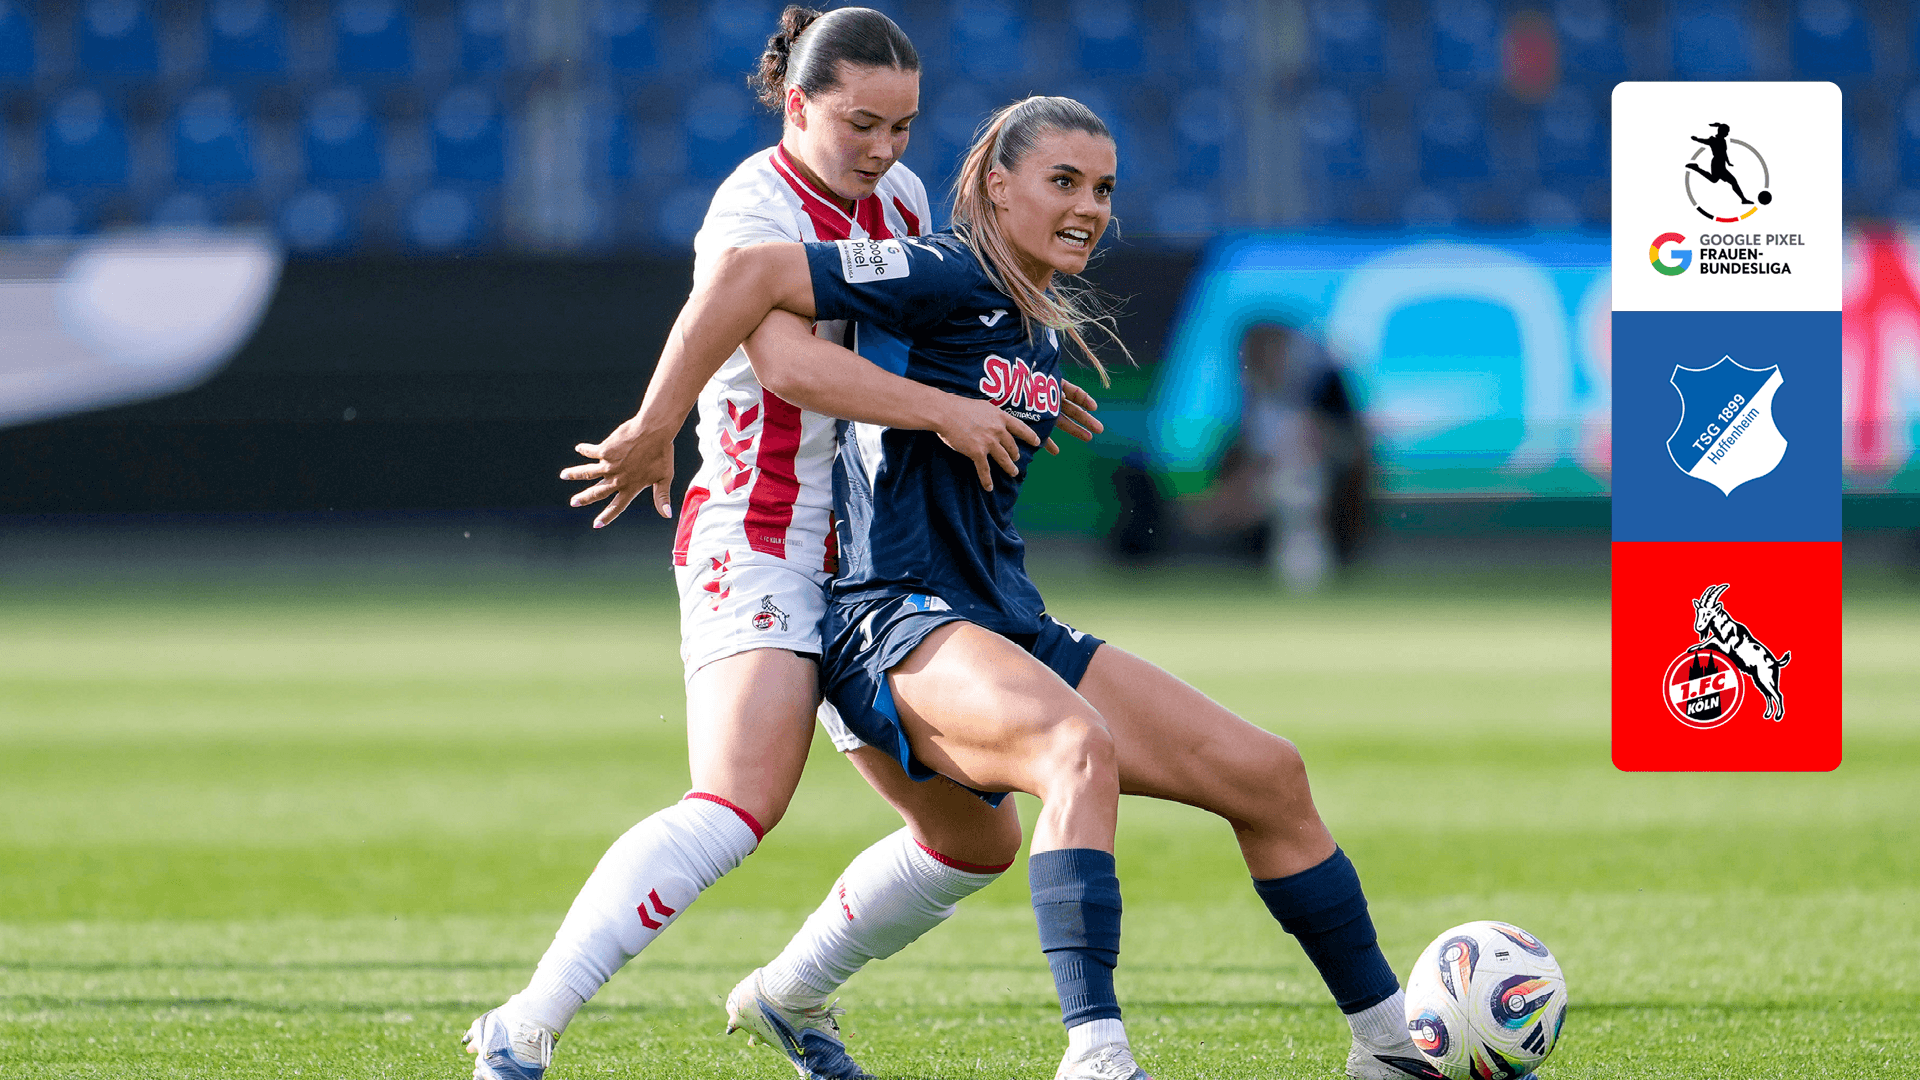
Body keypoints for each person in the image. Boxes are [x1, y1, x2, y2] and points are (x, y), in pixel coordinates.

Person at [571, 95, 1439, 1080]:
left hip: (1000, 618)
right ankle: (1095, 1054)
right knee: (1075, 747)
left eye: (1102, 189)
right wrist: (656, 424)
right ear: (996, 185)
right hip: (893, 621)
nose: (1089, 207)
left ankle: (1388, 1046)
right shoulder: (941, 267)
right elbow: (748, 277)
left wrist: (1013, 387)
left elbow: (953, 371)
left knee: (1269, 775)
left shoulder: (1034, 318)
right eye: (1063, 182)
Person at [463, 10, 1102, 1080]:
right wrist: (660, 423)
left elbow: (941, 332)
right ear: (798, 105)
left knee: (977, 839)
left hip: (871, 562)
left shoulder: (901, 198)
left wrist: (1019, 383)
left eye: (902, 125)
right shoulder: (752, 208)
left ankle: (789, 997)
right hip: (759, 535)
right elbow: (791, 368)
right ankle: (524, 1025)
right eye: (861, 123)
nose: (885, 149)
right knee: (737, 803)